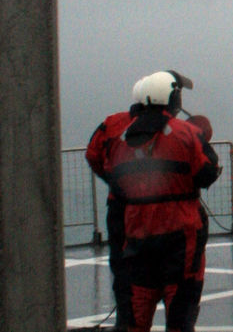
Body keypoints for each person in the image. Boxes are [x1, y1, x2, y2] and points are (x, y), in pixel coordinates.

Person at [103, 71, 220, 332]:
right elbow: (207, 173)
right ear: (173, 97)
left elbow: (113, 180)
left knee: (137, 312)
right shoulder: (185, 133)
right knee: (180, 309)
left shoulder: (120, 139)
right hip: (181, 236)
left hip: (138, 238)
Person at [85, 77, 146, 332]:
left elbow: (92, 154)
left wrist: (111, 181)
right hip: (150, 209)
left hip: (118, 205)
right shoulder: (166, 127)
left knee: (120, 263)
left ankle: (125, 320)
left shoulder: (111, 123)